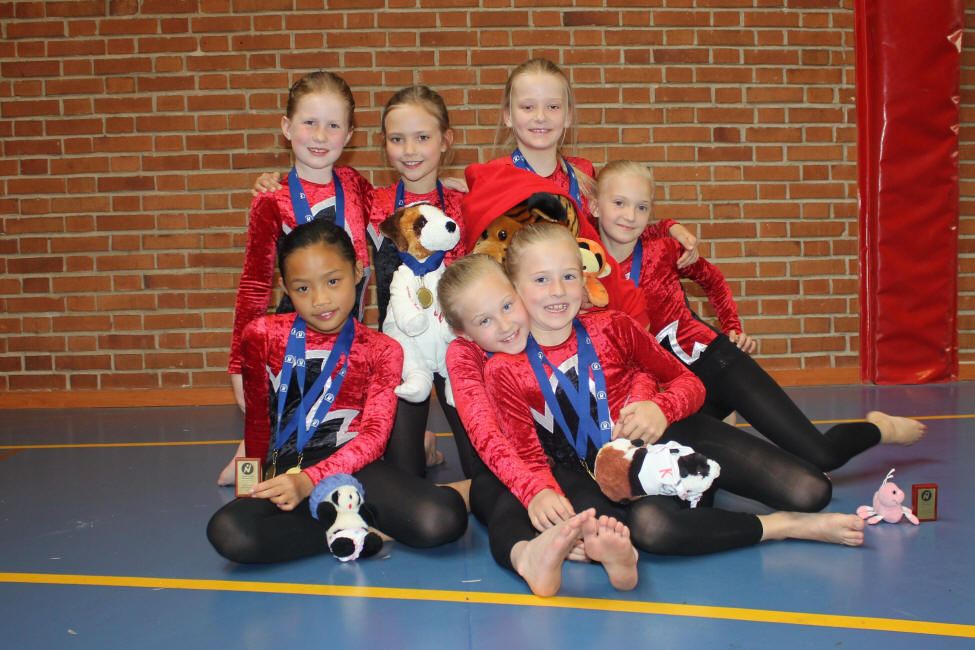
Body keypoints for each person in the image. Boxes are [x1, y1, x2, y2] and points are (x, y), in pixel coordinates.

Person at [481, 222, 867, 559]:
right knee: (652, 529)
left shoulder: (613, 326)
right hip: (622, 472)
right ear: (514, 288)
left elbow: (690, 383)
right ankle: (781, 526)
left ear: (584, 281)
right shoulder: (505, 367)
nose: (557, 291)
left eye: (569, 276)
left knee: (811, 491)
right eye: (541, 280)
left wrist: (661, 409)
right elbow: (525, 454)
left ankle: (706, 486)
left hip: (675, 435)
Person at [591, 160, 926, 471]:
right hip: (674, 391)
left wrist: (732, 326)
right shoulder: (586, 268)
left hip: (718, 364)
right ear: (594, 206)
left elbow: (713, 280)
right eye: (619, 203)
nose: (630, 215)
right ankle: (722, 417)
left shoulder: (664, 250)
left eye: (642, 207)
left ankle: (879, 428)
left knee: (821, 456)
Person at [207, 219, 467, 563]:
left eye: (333, 281)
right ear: (285, 288)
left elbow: (373, 438)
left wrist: (311, 481)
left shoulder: (382, 349)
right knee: (230, 533)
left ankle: (346, 519)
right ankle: (354, 525)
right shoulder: (261, 335)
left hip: (356, 467)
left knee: (441, 519)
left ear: (358, 272)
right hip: (287, 467)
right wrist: (249, 489)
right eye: (303, 288)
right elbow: (256, 425)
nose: (320, 300)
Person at [439, 254, 639, 596]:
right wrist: (533, 490)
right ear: (463, 332)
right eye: (484, 320)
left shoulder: (543, 323)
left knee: (588, 504)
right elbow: (484, 433)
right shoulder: (463, 354)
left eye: (507, 306)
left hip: (561, 459)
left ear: (518, 293)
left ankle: (615, 554)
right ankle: (526, 556)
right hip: (501, 468)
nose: (505, 325)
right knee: (503, 502)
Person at [218, 70, 372, 485]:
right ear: (287, 128)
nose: (320, 136)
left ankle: (422, 445)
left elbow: (396, 206)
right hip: (293, 341)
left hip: (350, 334)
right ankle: (244, 475)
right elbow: (254, 285)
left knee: (343, 431)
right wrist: (238, 363)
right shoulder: (272, 199)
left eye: (333, 125)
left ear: (349, 134)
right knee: (269, 422)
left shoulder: (354, 185)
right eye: (309, 122)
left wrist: (450, 184)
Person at [487, 57, 699, 266]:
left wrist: (669, 229)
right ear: (508, 115)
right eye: (527, 107)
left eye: (553, 107)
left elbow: (617, 230)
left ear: (568, 116)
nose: (541, 116)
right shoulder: (492, 177)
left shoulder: (583, 172)